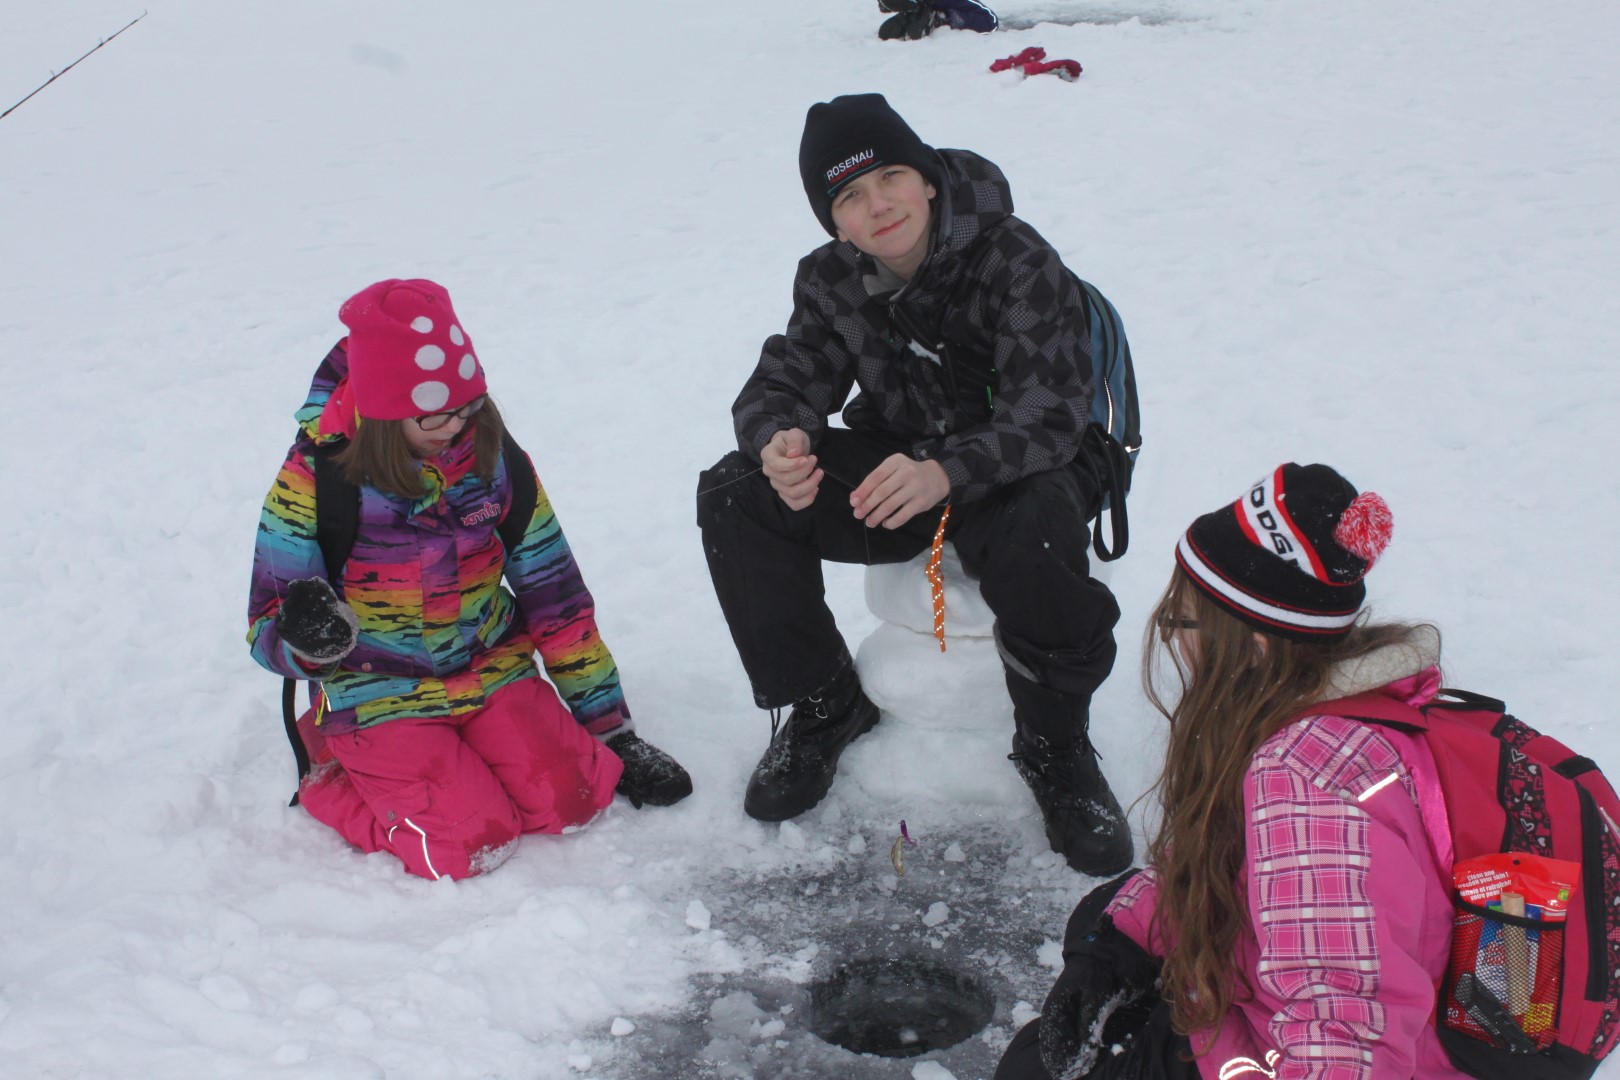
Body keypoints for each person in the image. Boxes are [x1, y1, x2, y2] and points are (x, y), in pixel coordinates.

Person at [695, 93, 1130, 876]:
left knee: (1036, 526)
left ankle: (1056, 747)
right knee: (738, 493)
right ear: (835, 223)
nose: (878, 205)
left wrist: (946, 472)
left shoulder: (1018, 260)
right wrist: (779, 438)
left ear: (929, 180)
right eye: (850, 196)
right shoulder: (829, 279)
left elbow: (1049, 415)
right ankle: (827, 702)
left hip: (1024, 466)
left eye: (891, 177)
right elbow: (788, 377)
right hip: (902, 460)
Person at [997, 463, 1469, 1080]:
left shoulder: (1308, 788)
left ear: (1253, 645)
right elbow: (1230, 871)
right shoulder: (1340, 712)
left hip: (1308, 1052)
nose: (1174, 638)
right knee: (1100, 926)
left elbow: (1346, 1047)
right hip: (1270, 996)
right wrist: (1115, 948)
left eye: (1185, 621)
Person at [248, 278, 691, 881]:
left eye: (468, 407)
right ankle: (330, 773)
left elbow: (556, 596)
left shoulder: (494, 460)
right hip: (377, 689)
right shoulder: (315, 480)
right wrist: (308, 641)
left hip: (489, 667)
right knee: (466, 845)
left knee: (577, 801)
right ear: (383, 412)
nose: (456, 427)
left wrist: (613, 731)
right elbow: (266, 624)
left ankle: (469, 760)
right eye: (435, 414)